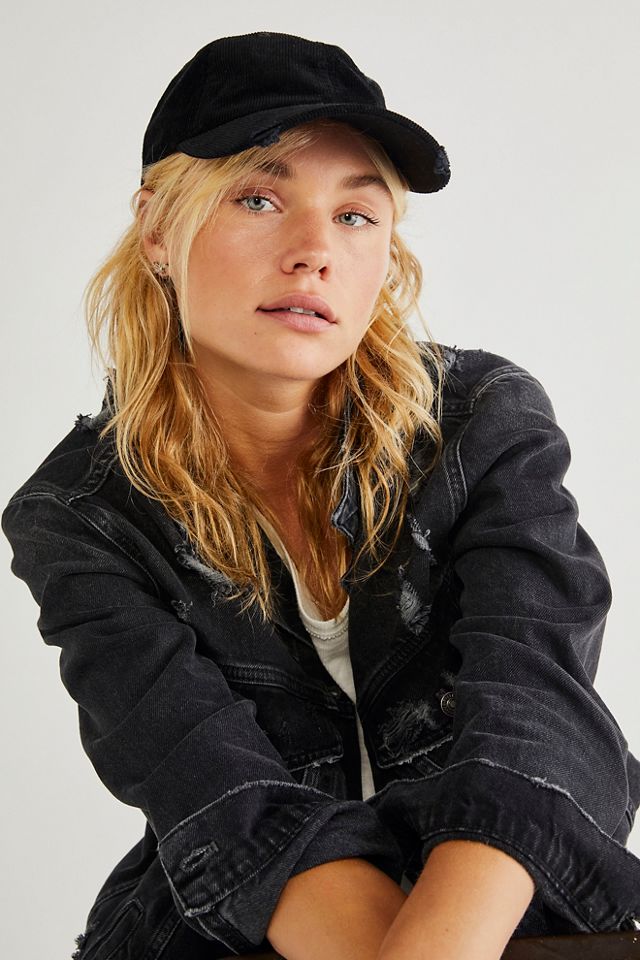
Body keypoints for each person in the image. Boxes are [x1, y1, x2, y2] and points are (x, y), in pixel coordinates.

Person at [3, 30, 640, 960]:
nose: (314, 252)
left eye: (355, 215)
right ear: (157, 231)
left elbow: (535, 717)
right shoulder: (77, 515)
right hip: (234, 934)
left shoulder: (482, 424)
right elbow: (221, 798)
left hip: (501, 922)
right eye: (259, 199)